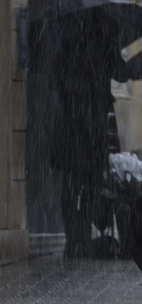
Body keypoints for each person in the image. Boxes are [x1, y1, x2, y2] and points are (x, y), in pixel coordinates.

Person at [51, 33, 121, 257]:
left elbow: (59, 88)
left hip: (75, 137)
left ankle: (76, 237)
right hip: (86, 138)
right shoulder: (100, 52)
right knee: (86, 188)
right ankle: (78, 236)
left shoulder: (70, 49)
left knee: (74, 190)